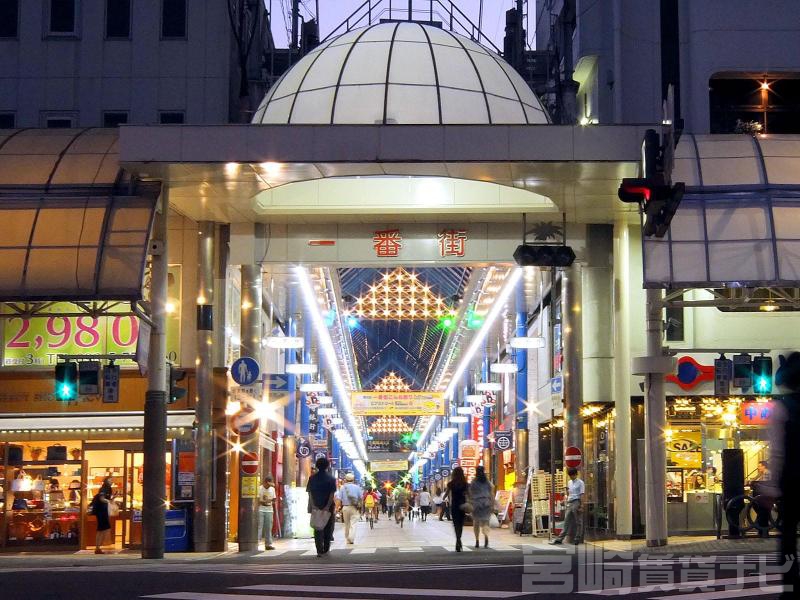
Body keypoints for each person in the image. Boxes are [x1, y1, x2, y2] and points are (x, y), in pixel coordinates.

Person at [770, 351, 800, 597]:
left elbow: (777, 452)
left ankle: (791, 588)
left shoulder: (782, 407)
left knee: (788, 537)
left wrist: (771, 487)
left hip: (792, 481)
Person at [306, 456, 337, 557]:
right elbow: (331, 494)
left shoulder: (312, 478)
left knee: (317, 528)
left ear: (317, 466)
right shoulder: (331, 479)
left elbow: (310, 493)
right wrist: (327, 506)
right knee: (328, 528)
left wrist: (313, 505)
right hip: (328, 507)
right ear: (327, 466)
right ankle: (326, 549)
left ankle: (319, 550)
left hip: (316, 506)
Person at [550, 467, 585, 545]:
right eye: (570, 475)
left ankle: (577, 538)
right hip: (569, 502)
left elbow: (582, 494)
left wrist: (582, 506)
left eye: (572, 475)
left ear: (576, 474)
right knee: (566, 521)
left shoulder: (581, 483)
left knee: (578, 521)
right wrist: (565, 498)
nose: (571, 477)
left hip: (576, 502)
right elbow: (569, 493)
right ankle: (559, 539)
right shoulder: (569, 482)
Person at [468, 466, 494, 548]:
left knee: (476, 522)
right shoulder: (487, 482)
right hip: (486, 503)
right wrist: (492, 504)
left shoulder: (473, 482)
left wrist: (470, 503)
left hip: (476, 503)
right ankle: (486, 537)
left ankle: (477, 540)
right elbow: (491, 493)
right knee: (485, 522)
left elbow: (470, 493)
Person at [444, 467, 468, 551]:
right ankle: (459, 539)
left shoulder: (451, 483)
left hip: (454, 506)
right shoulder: (465, 484)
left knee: (456, 524)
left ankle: (458, 539)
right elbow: (468, 494)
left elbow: (446, 494)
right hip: (462, 506)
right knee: (460, 524)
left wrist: (443, 498)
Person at [90, 477, 114, 554]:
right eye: (110, 480)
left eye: (112, 480)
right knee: (101, 529)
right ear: (106, 481)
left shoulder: (109, 489)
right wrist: (109, 501)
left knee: (104, 528)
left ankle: (99, 546)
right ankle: (98, 547)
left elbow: (106, 499)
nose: (112, 481)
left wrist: (112, 498)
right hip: (100, 510)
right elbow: (102, 499)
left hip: (104, 510)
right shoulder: (103, 488)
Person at [340, 472, 363, 545]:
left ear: (346, 479)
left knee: (347, 524)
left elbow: (339, 498)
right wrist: (361, 508)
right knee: (353, 523)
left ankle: (347, 539)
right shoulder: (357, 487)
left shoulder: (342, 487)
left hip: (345, 507)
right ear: (353, 479)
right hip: (354, 507)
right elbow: (361, 498)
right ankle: (351, 538)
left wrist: (338, 508)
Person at [258, 475, 277, 550]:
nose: (269, 486)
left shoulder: (272, 489)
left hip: (269, 510)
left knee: (268, 528)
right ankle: (256, 543)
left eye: (270, 484)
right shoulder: (259, 488)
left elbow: (274, 499)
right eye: (268, 484)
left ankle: (268, 544)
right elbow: (257, 500)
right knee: (259, 527)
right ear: (265, 482)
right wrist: (263, 502)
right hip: (261, 509)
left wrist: (271, 501)